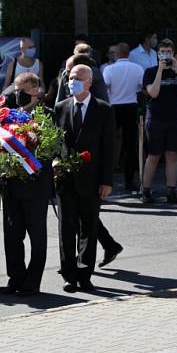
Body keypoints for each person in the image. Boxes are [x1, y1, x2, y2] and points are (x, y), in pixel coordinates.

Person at [54, 65, 114, 293]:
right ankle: (69, 274)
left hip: (91, 179)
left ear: (89, 82)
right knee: (66, 229)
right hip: (65, 179)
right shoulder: (61, 108)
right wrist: (55, 161)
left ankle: (84, 273)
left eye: (78, 78)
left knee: (88, 227)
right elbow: (55, 142)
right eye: (70, 78)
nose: (73, 82)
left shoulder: (103, 109)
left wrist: (107, 180)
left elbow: (109, 147)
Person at [0, 72, 53, 297]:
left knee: (36, 235)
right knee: (12, 235)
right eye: (15, 90)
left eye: (20, 90)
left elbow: (51, 149)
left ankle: (32, 281)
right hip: (11, 185)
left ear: (35, 91)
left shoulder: (46, 115)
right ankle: (15, 278)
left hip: (35, 185)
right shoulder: (9, 116)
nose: (16, 94)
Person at [141, 39, 177, 204]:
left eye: (169, 52)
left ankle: (171, 191)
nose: (166, 55)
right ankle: (146, 190)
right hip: (156, 118)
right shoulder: (150, 71)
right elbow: (153, 93)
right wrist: (160, 72)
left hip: (174, 118)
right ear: (158, 54)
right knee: (153, 155)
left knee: (172, 154)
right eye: (163, 52)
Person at [102, 42, 144, 191]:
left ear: (116, 54)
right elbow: (141, 87)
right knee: (130, 145)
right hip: (131, 106)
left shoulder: (109, 69)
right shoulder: (138, 68)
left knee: (109, 143)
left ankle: (107, 179)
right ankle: (129, 180)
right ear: (128, 54)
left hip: (114, 107)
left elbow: (106, 88)